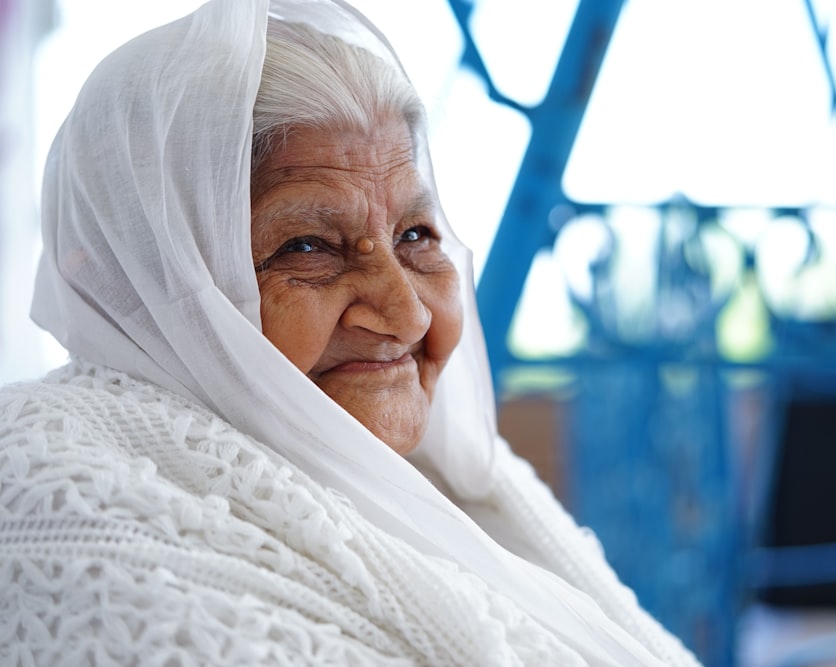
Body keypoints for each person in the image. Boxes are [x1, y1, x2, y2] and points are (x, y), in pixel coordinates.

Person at [0, 0, 700, 664]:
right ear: (128, 283)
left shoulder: (464, 483)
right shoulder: (57, 494)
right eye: (307, 246)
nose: (408, 314)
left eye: (417, 234)